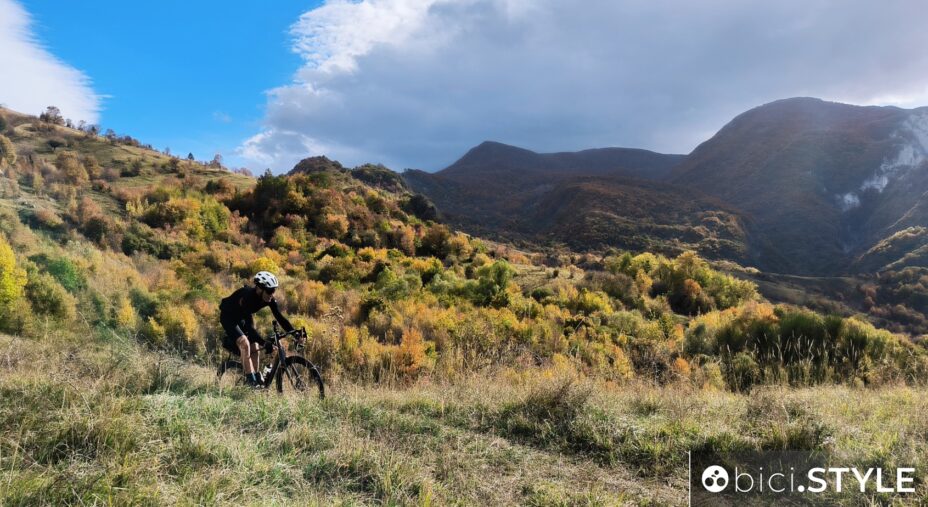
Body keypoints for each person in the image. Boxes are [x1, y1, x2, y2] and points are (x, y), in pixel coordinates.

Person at [219, 271, 294, 388]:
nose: (272, 294)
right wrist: (265, 342)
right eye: (269, 291)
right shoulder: (247, 297)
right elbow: (249, 328)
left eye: (273, 290)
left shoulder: (269, 299)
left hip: (243, 316)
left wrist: (294, 333)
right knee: (245, 344)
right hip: (228, 317)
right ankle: (252, 382)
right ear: (259, 288)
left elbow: (279, 317)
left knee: (255, 345)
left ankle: (256, 376)